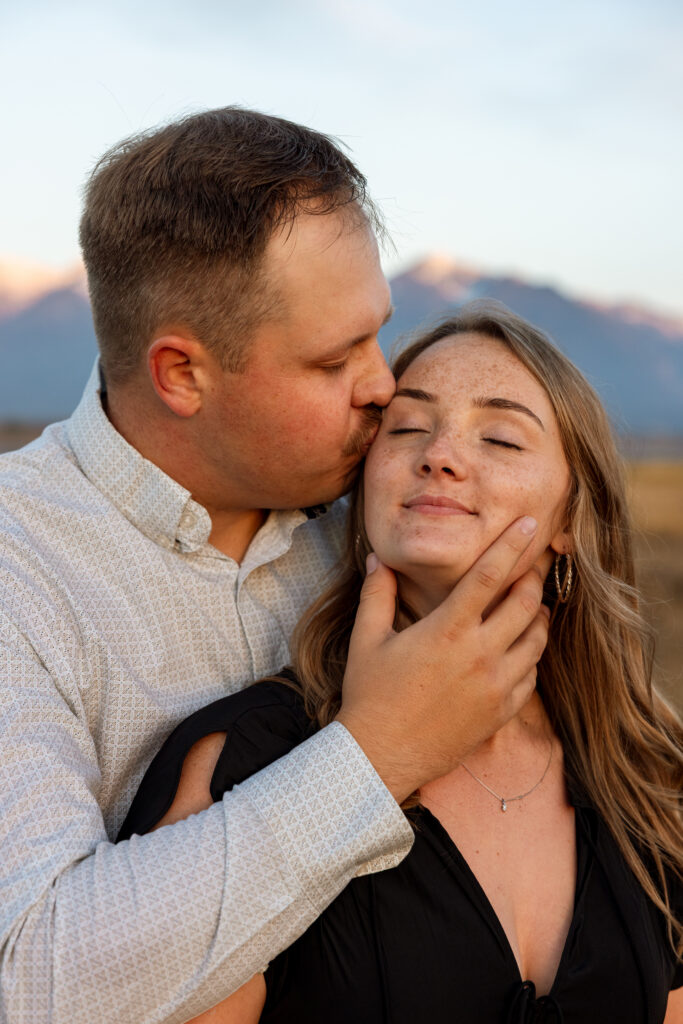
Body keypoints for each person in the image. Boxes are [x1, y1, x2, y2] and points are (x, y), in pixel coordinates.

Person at [0, 110, 549, 1024]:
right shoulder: (19, 565)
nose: (383, 385)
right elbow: (29, 978)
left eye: (377, 333)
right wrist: (379, 753)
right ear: (181, 374)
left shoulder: (388, 515)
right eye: (334, 359)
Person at [122, 303, 683, 1023]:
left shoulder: (647, 777)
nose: (439, 454)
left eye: (502, 438)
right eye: (408, 428)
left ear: (573, 518)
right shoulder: (246, 762)